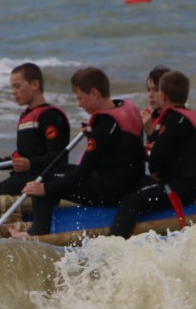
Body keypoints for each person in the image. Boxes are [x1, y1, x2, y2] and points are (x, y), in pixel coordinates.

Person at [12, 67, 145, 237]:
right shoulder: (124, 107)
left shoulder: (103, 128)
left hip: (111, 193)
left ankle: (37, 232)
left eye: (80, 98)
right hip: (129, 182)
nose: (79, 104)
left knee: (44, 178)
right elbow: (118, 147)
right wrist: (92, 134)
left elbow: (82, 174)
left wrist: (45, 188)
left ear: (94, 94)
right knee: (57, 170)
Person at [0, 63, 71, 235]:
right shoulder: (26, 116)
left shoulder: (50, 116)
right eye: (12, 87)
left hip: (38, 181)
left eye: (17, 86)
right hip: (22, 179)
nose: (14, 92)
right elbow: (21, 159)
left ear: (35, 84)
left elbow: (58, 157)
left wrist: (30, 164)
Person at [109, 70, 196, 237]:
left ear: (163, 96)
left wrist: (155, 170)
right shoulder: (188, 116)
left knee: (129, 202)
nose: (151, 95)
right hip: (190, 187)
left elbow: (156, 159)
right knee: (132, 184)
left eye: (156, 90)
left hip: (178, 190)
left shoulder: (172, 119)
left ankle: (113, 245)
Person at [140, 64, 172, 130]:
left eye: (156, 90)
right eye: (149, 90)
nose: (150, 95)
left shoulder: (175, 119)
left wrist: (149, 130)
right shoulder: (149, 115)